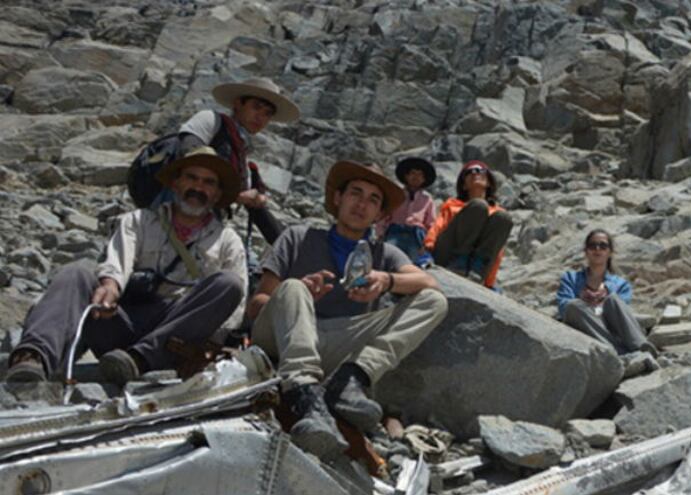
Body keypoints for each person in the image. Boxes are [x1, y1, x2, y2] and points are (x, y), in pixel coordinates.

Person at [247, 161, 448, 459]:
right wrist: (299, 296)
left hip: (340, 344)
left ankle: (352, 379)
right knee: (292, 288)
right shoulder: (297, 237)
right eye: (355, 193)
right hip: (283, 339)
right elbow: (256, 307)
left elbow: (429, 283)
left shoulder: (384, 254)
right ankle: (304, 394)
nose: (362, 204)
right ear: (338, 198)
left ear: (379, 214)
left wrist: (386, 280)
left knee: (435, 301)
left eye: (373, 199)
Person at [5, 148, 246, 387]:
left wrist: (209, 347)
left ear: (217, 194)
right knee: (75, 274)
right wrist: (110, 287)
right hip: (123, 318)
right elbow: (117, 261)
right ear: (175, 183)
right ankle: (32, 358)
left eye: (208, 182)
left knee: (229, 283)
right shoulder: (139, 221)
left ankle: (139, 360)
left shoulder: (228, 240)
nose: (198, 187)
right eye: (191, 178)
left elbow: (236, 307)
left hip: (174, 338)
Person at [177, 77, 301, 244]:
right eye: (256, 107)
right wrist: (235, 196)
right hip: (173, 216)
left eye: (267, 114)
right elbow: (190, 157)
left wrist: (289, 247)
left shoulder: (243, 162)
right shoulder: (210, 121)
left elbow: (255, 209)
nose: (260, 117)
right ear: (238, 103)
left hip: (203, 232)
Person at [555, 230, 654, 355]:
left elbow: (623, 314)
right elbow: (563, 308)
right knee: (573, 305)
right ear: (586, 251)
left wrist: (602, 302)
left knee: (612, 299)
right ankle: (617, 352)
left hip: (609, 327)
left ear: (610, 252)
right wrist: (583, 300)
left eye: (603, 246)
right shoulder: (570, 278)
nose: (597, 249)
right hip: (585, 328)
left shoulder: (621, 284)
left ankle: (642, 347)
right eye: (592, 245)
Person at [423, 160, 512, 288]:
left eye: (481, 171)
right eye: (469, 172)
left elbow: (496, 251)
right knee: (478, 206)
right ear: (464, 185)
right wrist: (427, 249)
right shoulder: (452, 205)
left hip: (477, 265)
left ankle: (477, 271)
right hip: (447, 255)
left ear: (488, 182)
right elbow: (438, 227)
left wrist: (489, 282)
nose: (475, 173)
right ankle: (458, 263)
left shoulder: (497, 214)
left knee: (504, 218)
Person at [377, 156, 437, 262]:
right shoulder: (396, 195)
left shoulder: (427, 199)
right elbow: (385, 215)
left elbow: (431, 223)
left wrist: (428, 242)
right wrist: (380, 233)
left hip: (416, 234)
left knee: (415, 260)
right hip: (395, 230)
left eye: (420, 175)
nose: (416, 177)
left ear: (424, 179)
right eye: (413, 173)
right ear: (406, 176)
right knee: (388, 257)